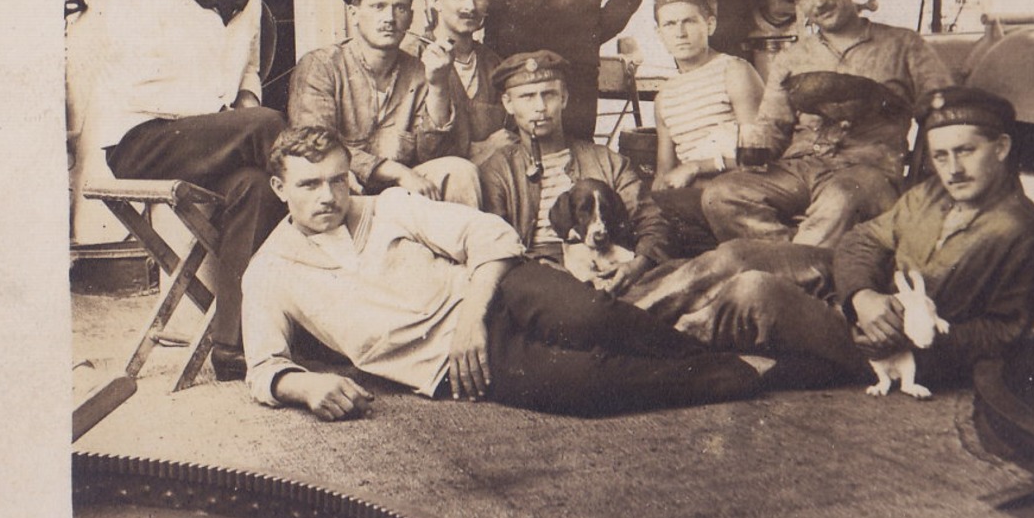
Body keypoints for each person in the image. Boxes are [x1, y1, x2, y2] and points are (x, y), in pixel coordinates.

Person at [241, 126, 780, 419]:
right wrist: (304, 387)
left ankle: (730, 353)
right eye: (310, 185)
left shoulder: (389, 207)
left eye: (338, 180)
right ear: (279, 189)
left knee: (591, 317)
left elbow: (490, 234)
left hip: (495, 290)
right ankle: (742, 373)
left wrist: (471, 318)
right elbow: (263, 365)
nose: (330, 196)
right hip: (442, 365)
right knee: (584, 386)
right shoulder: (269, 271)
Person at [636, 87, 1034, 391]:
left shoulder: (1023, 235)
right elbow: (864, 241)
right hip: (866, 303)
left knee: (755, 291)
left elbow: (1005, 333)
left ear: (1001, 148)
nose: (953, 170)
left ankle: (648, 357)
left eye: (966, 152)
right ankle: (623, 322)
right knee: (736, 255)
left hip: (893, 346)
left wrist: (915, 331)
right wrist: (861, 296)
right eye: (941, 156)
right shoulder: (933, 194)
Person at [90, 0, 287, 381]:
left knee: (257, 185)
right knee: (269, 128)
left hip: (212, 139)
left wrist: (241, 113)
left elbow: (248, 81)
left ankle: (234, 346)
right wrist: (240, 120)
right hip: (143, 138)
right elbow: (137, 81)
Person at [700, 0, 954, 248]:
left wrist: (887, 104)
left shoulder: (903, 44)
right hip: (800, 168)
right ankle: (796, 261)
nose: (817, 1)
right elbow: (772, 127)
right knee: (721, 195)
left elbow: (945, 109)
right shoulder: (792, 58)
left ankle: (796, 267)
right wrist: (752, 147)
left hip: (868, 171)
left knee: (841, 197)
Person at [288, 0, 481, 207]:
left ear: (411, 18)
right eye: (378, 7)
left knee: (460, 171)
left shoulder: (420, 69)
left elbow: (434, 154)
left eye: (399, 8)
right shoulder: (321, 65)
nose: (389, 18)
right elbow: (315, 144)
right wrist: (397, 171)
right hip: (341, 184)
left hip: (402, 191)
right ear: (354, 14)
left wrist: (437, 85)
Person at [478, 51, 673, 294]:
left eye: (549, 94)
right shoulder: (497, 171)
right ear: (508, 103)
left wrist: (637, 266)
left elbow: (651, 221)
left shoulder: (607, 161)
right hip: (540, 277)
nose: (540, 107)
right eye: (527, 97)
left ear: (564, 98)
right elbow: (495, 247)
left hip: (611, 266)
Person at [483, 0, 641, 141]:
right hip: (519, 66)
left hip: (574, 67)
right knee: (516, 149)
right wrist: (495, 59)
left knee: (575, 149)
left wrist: (588, 37)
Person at [648, 0, 765, 254]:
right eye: (669, 24)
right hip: (690, 201)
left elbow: (762, 155)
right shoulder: (664, 96)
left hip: (734, 191)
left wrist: (698, 166)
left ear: (709, 25)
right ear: (659, 33)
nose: (680, 33)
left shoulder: (733, 70)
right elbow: (663, 173)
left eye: (689, 21)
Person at [403, 0, 514, 166]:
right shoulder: (410, 58)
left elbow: (510, 135)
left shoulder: (496, 65)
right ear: (436, 1)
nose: (470, 6)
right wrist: (477, 149)